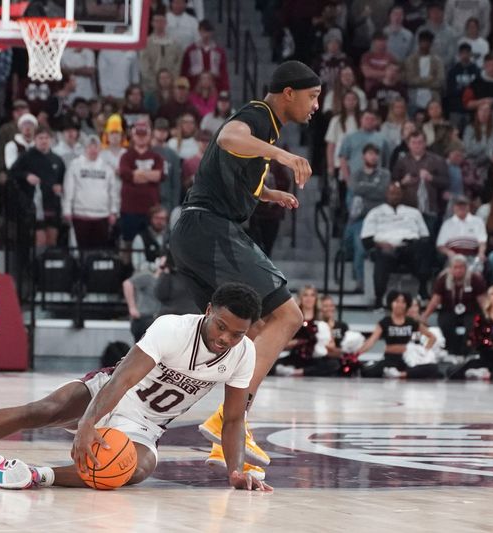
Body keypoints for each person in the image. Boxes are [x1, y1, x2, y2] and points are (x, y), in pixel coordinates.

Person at [0, 282, 272, 491]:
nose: (226, 337)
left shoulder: (244, 354)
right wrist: (90, 423)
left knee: (134, 469)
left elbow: (234, 419)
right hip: (108, 391)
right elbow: (124, 378)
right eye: (221, 326)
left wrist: (234, 471)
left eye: (236, 333)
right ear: (209, 311)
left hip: (146, 425)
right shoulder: (172, 328)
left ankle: (34, 475)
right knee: (41, 411)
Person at [170, 61, 318, 475]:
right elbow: (229, 135)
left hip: (192, 233)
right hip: (211, 230)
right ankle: (226, 419)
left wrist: (268, 193)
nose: (316, 104)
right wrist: (282, 155)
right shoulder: (258, 116)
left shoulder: (266, 129)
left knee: (243, 333)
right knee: (288, 315)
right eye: (313, 96)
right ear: (288, 93)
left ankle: (220, 430)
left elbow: (233, 172)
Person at [361, 183, 431, 307]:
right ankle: (378, 299)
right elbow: (366, 239)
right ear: (386, 194)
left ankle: (423, 290)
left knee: (423, 250)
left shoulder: (413, 212)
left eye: (398, 193)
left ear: (402, 195)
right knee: (381, 259)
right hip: (386, 249)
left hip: (409, 248)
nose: (395, 196)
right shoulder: (375, 213)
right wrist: (381, 244)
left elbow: (425, 236)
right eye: (392, 193)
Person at [357, 290, 440, 379]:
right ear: (391, 303)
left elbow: (432, 337)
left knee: (433, 368)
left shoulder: (411, 322)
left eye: (403, 302)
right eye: (396, 301)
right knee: (367, 372)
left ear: (406, 305)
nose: (400, 305)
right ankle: (398, 373)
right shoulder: (385, 322)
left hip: (407, 359)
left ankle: (401, 375)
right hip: (390, 359)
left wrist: (424, 352)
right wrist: (357, 353)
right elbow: (371, 341)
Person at [9, 126, 66, 249]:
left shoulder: (57, 160)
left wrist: (60, 187)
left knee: (52, 240)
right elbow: (13, 172)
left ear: (50, 140)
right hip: (33, 206)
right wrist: (27, 176)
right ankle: (36, 266)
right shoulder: (26, 156)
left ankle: (50, 266)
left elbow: (62, 180)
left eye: (46, 138)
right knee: (40, 241)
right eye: (40, 138)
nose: (44, 141)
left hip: (52, 205)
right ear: (35, 139)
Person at [422, 255, 487, 356]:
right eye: (455, 267)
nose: (458, 270)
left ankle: (469, 351)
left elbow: (482, 300)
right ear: (450, 268)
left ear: (466, 268)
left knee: (474, 324)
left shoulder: (475, 278)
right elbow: (435, 300)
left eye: (461, 267)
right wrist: (425, 315)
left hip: (471, 310)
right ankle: (452, 350)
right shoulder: (443, 279)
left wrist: (489, 315)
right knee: (445, 323)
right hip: (449, 310)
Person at [62, 135, 119, 250]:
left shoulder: (107, 167)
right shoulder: (75, 165)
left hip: (102, 215)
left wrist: (113, 211)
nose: (93, 150)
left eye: (96, 147)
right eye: (90, 147)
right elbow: (69, 189)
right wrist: (67, 210)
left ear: (100, 149)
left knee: (100, 250)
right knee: (82, 250)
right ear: (85, 148)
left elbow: (113, 191)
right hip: (80, 215)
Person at [346, 144, 390, 292]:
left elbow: (383, 192)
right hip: (361, 218)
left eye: (376, 154)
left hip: (381, 219)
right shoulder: (356, 174)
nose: (373, 157)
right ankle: (360, 282)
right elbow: (355, 188)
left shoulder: (385, 174)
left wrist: (365, 190)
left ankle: (379, 286)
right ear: (364, 156)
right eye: (370, 153)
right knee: (359, 246)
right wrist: (373, 188)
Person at [274, 286, 339, 378]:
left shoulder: (322, 321)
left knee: (334, 364)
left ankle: (298, 372)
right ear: (300, 298)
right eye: (305, 295)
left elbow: (332, 346)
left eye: (312, 295)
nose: (309, 298)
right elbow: (282, 345)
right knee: (271, 364)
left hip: (315, 358)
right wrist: (299, 342)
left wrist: (320, 343)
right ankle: (297, 370)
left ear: (316, 299)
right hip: (297, 356)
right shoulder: (294, 320)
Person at [119, 120, 165, 245]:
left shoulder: (157, 157)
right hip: (129, 209)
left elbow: (159, 175)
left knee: (152, 243)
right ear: (133, 136)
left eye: (144, 135)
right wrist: (149, 175)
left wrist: (137, 173)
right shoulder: (126, 156)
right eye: (138, 135)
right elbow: (126, 174)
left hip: (151, 210)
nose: (141, 138)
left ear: (149, 136)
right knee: (128, 243)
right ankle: (126, 265)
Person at [392, 130, 450, 225]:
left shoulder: (437, 160)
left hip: (431, 209)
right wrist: (402, 182)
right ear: (408, 144)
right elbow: (393, 183)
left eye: (420, 142)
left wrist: (431, 178)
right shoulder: (401, 162)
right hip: (408, 209)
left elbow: (446, 182)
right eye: (414, 143)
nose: (417, 145)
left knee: (428, 238)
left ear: (425, 143)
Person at [139, 10, 183, 94]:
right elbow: (144, 67)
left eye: (162, 21)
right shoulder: (145, 43)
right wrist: (156, 83)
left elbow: (178, 64)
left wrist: (170, 81)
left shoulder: (175, 43)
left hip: (171, 87)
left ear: (166, 23)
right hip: (150, 87)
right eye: (156, 21)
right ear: (152, 23)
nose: (159, 24)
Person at [180, 19, 229, 92]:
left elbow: (223, 71)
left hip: (214, 87)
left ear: (212, 33)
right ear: (199, 32)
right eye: (204, 31)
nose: (206, 35)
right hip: (194, 87)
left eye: (208, 32)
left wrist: (225, 88)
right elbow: (184, 70)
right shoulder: (190, 50)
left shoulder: (219, 52)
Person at [437, 195, 488, 262]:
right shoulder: (447, 223)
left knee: (476, 269)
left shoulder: (478, 221)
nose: (461, 208)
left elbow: (482, 241)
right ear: (454, 207)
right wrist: (449, 253)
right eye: (459, 205)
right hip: (454, 256)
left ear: (468, 206)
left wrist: (481, 253)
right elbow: (440, 245)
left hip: (472, 255)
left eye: (464, 205)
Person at [404, 30, 445, 113]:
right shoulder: (411, 60)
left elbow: (440, 81)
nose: (425, 44)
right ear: (419, 43)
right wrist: (429, 79)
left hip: (433, 99)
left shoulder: (437, 61)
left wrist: (419, 82)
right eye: (423, 41)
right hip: (414, 99)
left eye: (428, 42)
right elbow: (409, 80)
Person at [446, 43, 480, 129]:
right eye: (463, 53)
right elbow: (450, 90)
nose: (465, 55)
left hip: (471, 110)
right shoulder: (453, 71)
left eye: (467, 53)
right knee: (454, 134)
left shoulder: (476, 70)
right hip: (455, 109)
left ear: (470, 54)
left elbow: (479, 89)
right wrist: (464, 91)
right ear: (459, 54)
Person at [123, 267, 160, 342]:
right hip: (143, 319)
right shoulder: (148, 277)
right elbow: (127, 284)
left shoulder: (167, 282)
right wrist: (132, 307)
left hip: (156, 320)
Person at [131, 205, 169, 274]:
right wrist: (158, 267)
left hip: (167, 275)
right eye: (157, 218)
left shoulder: (171, 237)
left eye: (162, 218)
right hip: (147, 275)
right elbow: (138, 265)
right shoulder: (140, 238)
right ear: (150, 219)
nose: (159, 221)